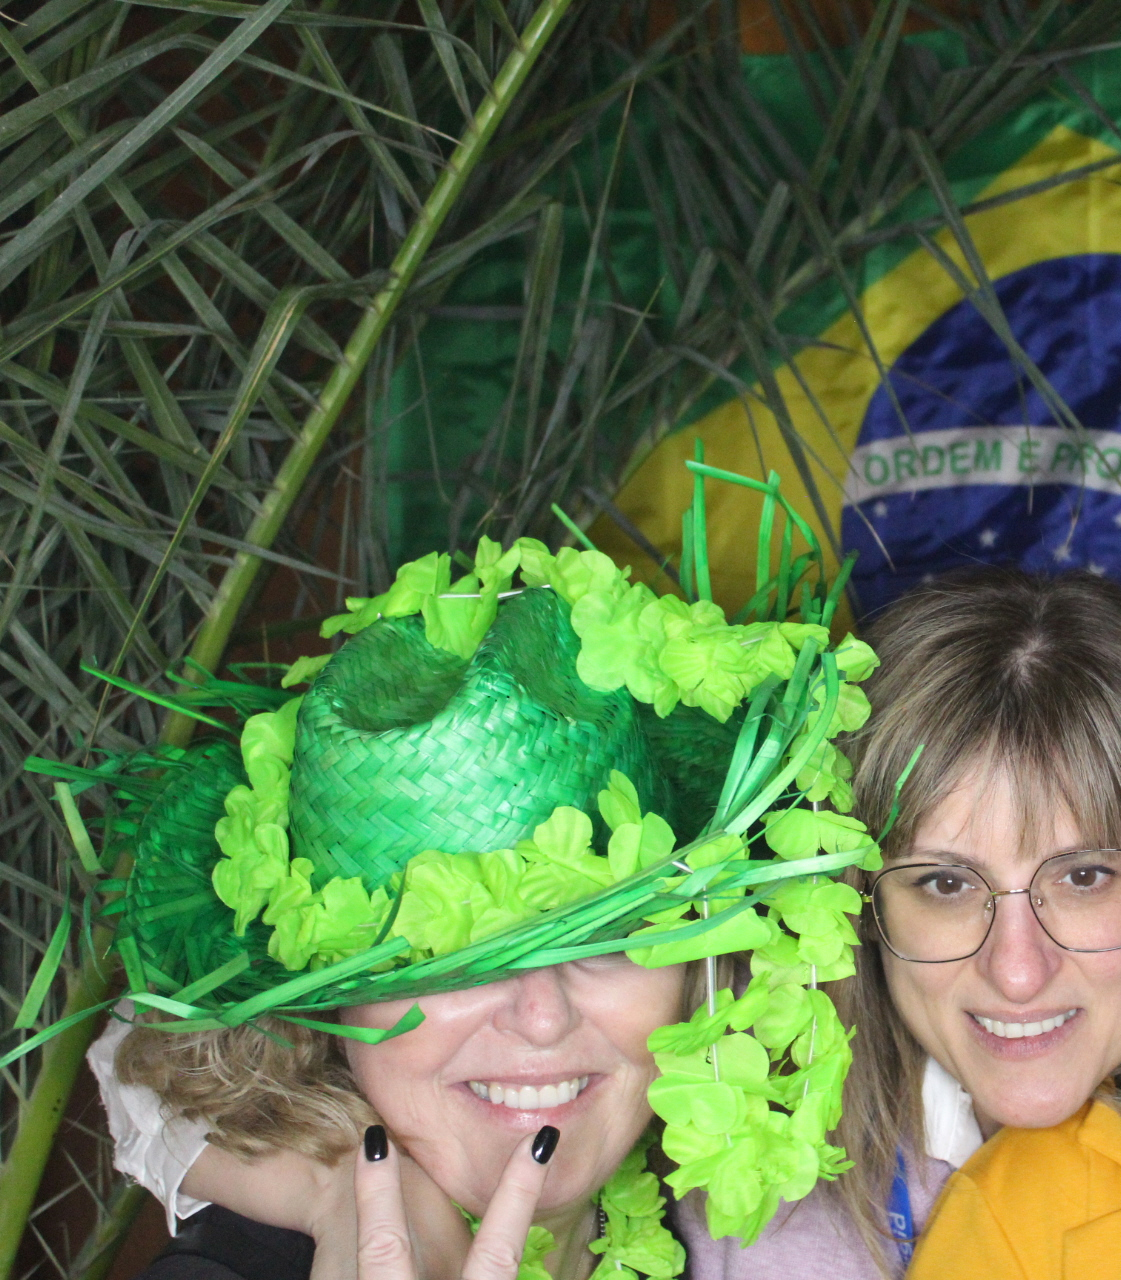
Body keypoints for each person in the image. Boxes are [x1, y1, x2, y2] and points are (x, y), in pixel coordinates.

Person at [63, 469, 878, 1279]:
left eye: (610, 936)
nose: (543, 1017)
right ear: (322, 1005)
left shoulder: (769, 1235)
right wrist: (332, 1187)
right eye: (455, 958)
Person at [837, 567, 1121, 1280]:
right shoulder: (739, 1199)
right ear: (862, 902)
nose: (1018, 971)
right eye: (946, 884)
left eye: (1084, 877)